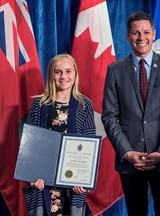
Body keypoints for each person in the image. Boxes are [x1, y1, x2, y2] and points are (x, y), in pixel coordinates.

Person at [101, 11, 160, 216]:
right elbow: (109, 116)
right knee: (135, 212)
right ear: (128, 36)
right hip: (131, 161)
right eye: (136, 33)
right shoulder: (115, 70)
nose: (141, 38)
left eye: (146, 32)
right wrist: (127, 153)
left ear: (154, 33)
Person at [22, 54, 96, 216]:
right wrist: (32, 175)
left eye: (68, 71)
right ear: (51, 75)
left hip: (73, 184)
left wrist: (84, 179)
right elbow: (30, 145)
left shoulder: (85, 105)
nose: (63, 76)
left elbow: (90, 144)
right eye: (58, 72)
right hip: (43, 183)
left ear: (75, 74)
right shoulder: (39, 105)